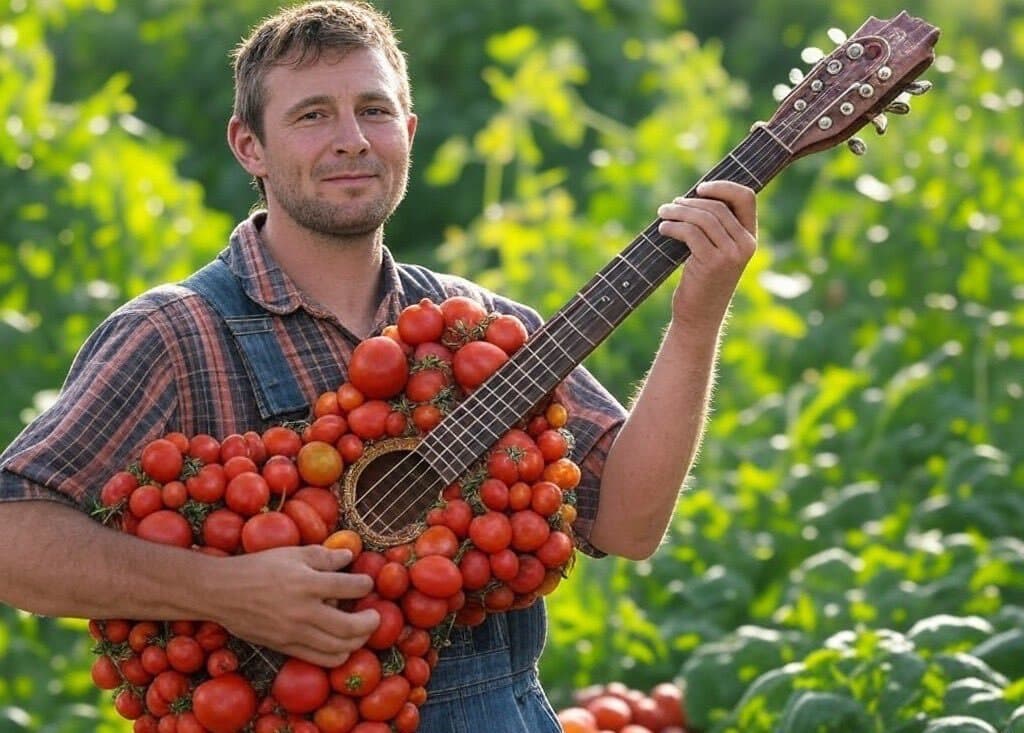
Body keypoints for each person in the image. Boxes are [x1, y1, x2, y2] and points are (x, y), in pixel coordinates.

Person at [0, 1, 756, 730]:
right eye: (311, 115)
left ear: (409, 130)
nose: (352, 139)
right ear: (248, 146)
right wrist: (225, 590)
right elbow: (13, 538)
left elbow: (627, 522)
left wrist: (697, 316)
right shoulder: (173, 335)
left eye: (374, 109)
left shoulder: (480, 330)